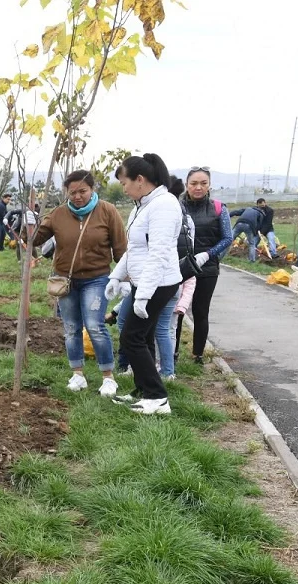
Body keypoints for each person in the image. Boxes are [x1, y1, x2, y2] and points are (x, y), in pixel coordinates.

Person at [33, 170, 127, 397]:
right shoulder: (58, 214)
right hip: (66, 279)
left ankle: (108, 377)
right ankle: (77, 374)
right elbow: (35, 239)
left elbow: (121, 249)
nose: (77, 196)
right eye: (72, 192)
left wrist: (125, 278)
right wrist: (28, 224)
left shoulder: (107, 211)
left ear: (93, 190)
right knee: (71, 328)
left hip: (96, 278)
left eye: (82, 191)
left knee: (95, 325)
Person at [106, 153, 183, 415]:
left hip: (159, 283)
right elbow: (135, 250)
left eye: (125, 183)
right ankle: (143, 390)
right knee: (144, 336)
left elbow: (158, 254)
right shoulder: (144, 205)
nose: (124, 189)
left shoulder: (164, 205)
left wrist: (142, 296)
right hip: (146, 282)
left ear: (140, 180)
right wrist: (116, 276)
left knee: (131, 336)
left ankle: (157, 397)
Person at [175, 168, 232, 365]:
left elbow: (227, 238)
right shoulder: (176, 207)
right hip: (179, 268)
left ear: (209, 185)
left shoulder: (218, 208)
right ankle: (171, 353)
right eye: (194, 183)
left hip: (207, 269)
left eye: (203, 183)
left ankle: (197, 354)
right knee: (176, 311)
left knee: (200, 311)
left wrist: (208, 254)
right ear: (186, 185)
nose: (198, 187)